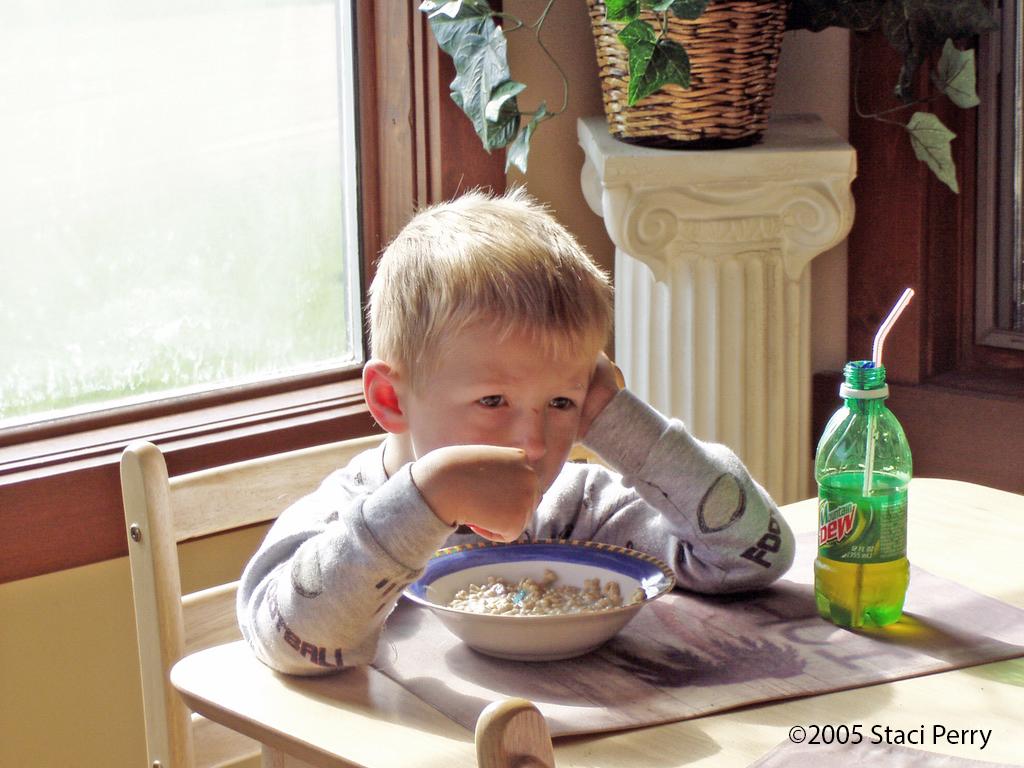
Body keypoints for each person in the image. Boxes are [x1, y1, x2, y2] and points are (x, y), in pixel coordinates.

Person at [237, 188, 795, 675]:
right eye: (492, 400)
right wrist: (426, 498)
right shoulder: (340, 522)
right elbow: (289, 639)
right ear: (391, 398)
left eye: (560, 402)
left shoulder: (570, 511)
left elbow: (751, 557)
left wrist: (618, 419)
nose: (533, 441)